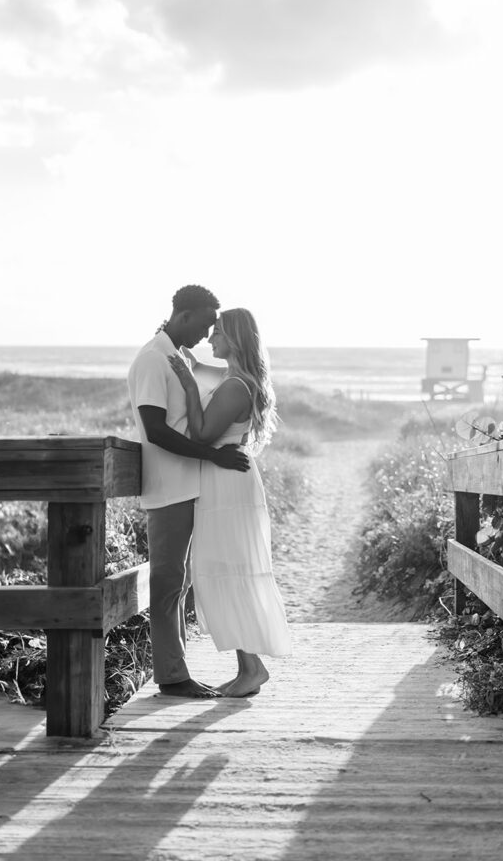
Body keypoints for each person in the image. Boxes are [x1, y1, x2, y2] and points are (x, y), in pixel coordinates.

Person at [127, 285, 250, 700]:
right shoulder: (152, 359)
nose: (207, 331)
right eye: (204, 323)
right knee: (166, 584)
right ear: (183, 315)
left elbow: (226, 384)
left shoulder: (180, 357)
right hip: (167, 485)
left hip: (188, 483)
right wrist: (212, 457)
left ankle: (176, 670)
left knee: (177, 584)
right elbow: (156, 430)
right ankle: (172, 677)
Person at [169, 307, 291, 698]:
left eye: (217, 332)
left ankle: (252, 667)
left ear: (234, 338)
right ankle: (248, 668)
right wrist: (189, 364)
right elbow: (207, 374)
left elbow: (203, 434)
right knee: (226, 568)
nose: (209, 339)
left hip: (226, 481)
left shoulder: (237, 385)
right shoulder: (233, 379)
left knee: (228, 569)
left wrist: (188, 386)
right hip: (227, 479)